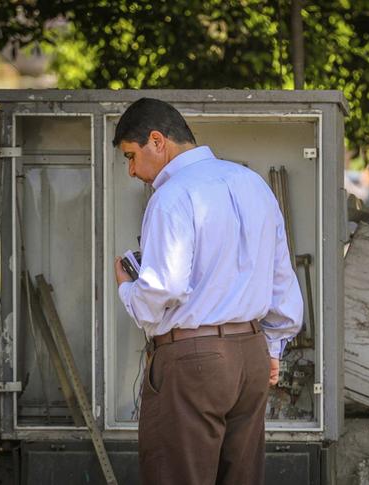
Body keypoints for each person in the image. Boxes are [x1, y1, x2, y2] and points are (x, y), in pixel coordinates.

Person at [112, 97, 303, 485]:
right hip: (250, 355)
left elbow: (162, 288)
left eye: (131, 156)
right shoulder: (254, 185)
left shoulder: (171, 197)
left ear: (157, 141)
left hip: (191, 360)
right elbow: (281, 276)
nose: (132, 171)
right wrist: (272, 348)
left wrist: (128, 289)